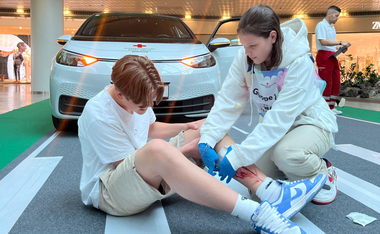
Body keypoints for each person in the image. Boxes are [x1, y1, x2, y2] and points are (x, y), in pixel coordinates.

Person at [78, 54, 327, 234]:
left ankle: (271, 192)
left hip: (143, 173)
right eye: (143, 106)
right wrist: (185, 150)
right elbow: (132, 164)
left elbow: (150, 128)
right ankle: (259, 215)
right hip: (111, 191)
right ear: (119, 93)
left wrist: (189, 127)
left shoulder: (134, 99)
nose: (147, 110)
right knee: (157, 150)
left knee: (209, 127)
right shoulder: (99, 115)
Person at [198, 4, 339, 207]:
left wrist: (236, 157)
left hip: (310, 123)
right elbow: (228, 100)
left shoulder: (299, 62)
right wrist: (207, 138)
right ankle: (295, 174)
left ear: (272, 37)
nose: (247, 52)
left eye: (253, 45)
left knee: (286, 154)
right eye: (243, 45)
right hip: (279, 129)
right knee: (257, 192)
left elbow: (279, 119)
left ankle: (322, 172)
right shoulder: (245, 57)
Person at [315, 6, 351, 115]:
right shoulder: (321, 25)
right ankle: (324, 107)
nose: (337, 18)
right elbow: (323, 42)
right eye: (336, 16)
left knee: (336, 81)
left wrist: (340, 48)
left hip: (331, 55)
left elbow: (330, 44)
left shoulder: (332, 27)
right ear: (329, 14)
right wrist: (340, 42)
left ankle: (331, 107)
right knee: (327, 82)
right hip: (324, 55)